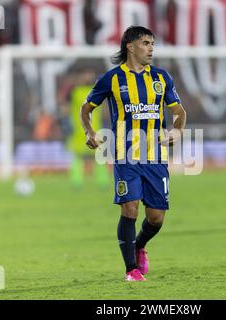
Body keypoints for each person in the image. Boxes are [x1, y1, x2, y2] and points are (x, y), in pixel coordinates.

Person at [80, 26, 187, 281]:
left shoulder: (161, 78)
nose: (151, 48)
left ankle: (140, 245)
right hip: (125, 156)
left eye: (153, 43)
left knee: (156, 218)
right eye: (146, 43)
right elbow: (86, 109)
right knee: (129, 210)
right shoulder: (112, 79)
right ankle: (131, 270)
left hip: (156, 157)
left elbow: (179, 112)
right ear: (130, 46)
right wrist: (90, 132)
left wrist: (177, 131)